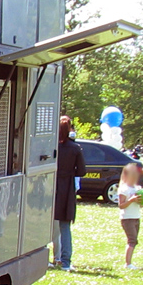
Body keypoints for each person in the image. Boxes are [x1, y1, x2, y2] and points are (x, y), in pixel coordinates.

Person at [52, 115, 86, 270]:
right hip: (66, 189)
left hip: (51, 186)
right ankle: (66, 262)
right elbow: (82, 171)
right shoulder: (75, 148)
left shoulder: (51, 146)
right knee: (65, 227)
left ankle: (48, 257)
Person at [117, 162, 143, 271]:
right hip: (127, 218)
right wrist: (131, 200)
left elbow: (140, 203)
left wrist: (142, 201)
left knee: (134, 241)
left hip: (136, 217)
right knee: (132, 240)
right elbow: (121, 205)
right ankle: (128, 264)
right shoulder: (124, 189)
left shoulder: (137, 187)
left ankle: (129, 262)